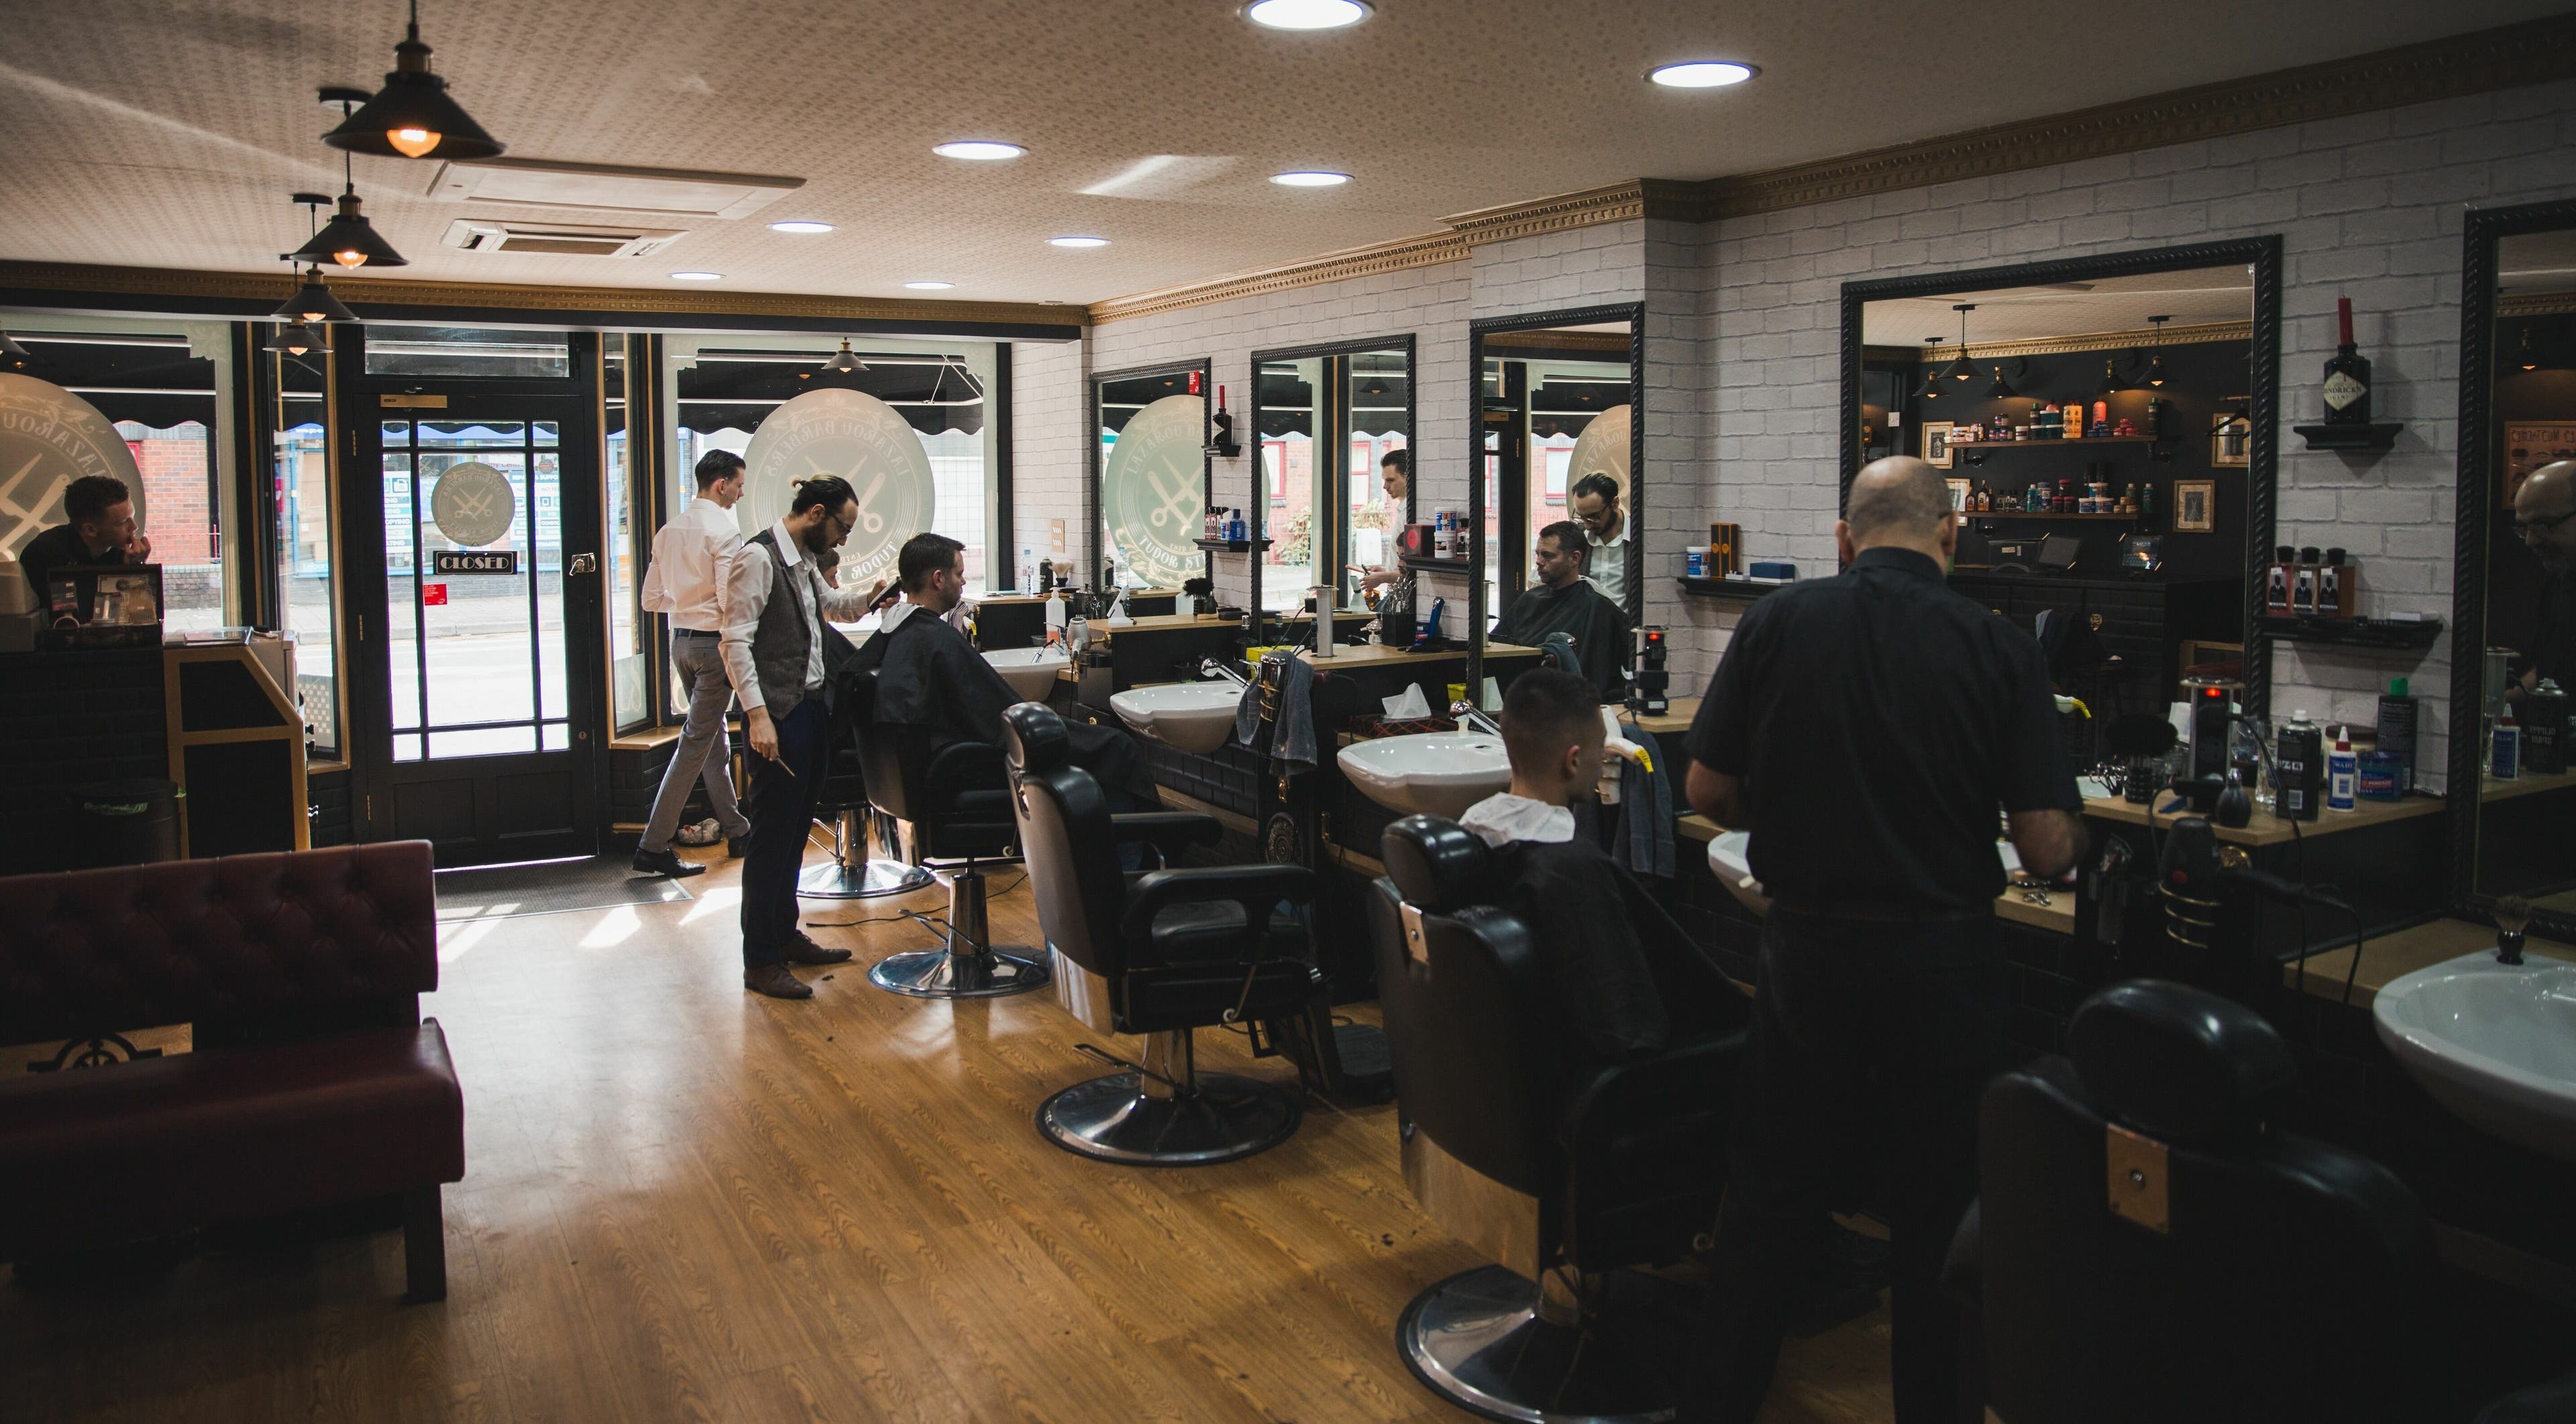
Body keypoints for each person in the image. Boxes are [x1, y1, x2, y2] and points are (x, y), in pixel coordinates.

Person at [1678, 456, 2086, 1424]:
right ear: (1951, 535)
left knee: (1770, 1191)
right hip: (1944, 964)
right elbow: (2044, 844)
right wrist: (2084, 829)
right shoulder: (1997, 647)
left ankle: (1717, 1402)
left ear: (1843, 537)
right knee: (1939, 1211)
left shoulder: (1777, 621)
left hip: (1809, 952)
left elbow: (1704, 790)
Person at [1458, 668, 1743, 1071]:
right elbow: (1629, 1026)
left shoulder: (1472, 835)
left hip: (1507, 1066)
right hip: (1584, 1081)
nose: (1604, 758)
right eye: (1599, 749)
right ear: (1573, 761)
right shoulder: (1572, 869)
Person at [717, 475, 892, 1000]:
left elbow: (833, 610)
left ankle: (784, 934)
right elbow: (735, 642)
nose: (843, 539)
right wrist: (758, 716)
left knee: (795, 833)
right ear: (816, 513)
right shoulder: (759, 559)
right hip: (780, 714)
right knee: (771, 838)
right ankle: (760, 960)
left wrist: (872, 598)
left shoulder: (802, 561)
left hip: (811, 708)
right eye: (842, 526)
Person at [854, 532, 1158, 807]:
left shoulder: (898, 630)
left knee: (1101, 744)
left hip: (936, 766)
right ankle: (1140, 854)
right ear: (938, 579)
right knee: (1118, 747)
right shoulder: (934, 638)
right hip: (966, 765)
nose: (963, 581)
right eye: (959, 574)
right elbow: (994, 713)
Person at [632, 449, 755, 879]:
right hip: (712, 648)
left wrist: (685, 604)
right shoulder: (724, 532)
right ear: (721, 484)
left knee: (710, 740)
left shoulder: (668, 531)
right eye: (739, 485)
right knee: (695, 743)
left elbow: (651, 600)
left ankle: (739, 830)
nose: (741, 493)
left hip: (679, 642)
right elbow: (730, 601)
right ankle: (652, 845)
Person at [1489, 521, 1631, 702]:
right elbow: (1496, 646)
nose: (1539, 562)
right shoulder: (1530, 599)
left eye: (1548, 556)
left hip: (1567, 707)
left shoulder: (1596, 607)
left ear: (1575, 558)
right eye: (1538, 554)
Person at [17, 474, 151, 597]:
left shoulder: (121, 553)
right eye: (123, 522)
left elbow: (137, 613)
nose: (134, 527)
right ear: (90, 530)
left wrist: (134, 569)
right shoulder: (44, 554)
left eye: (132, 517)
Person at [2510, 459, 2576, 695]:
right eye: (2525, 528)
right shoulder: (2560, 580)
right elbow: (2551, 672)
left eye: (2543, 525)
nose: (2530, 541)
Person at [1356, 449, 1412, 596]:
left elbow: (1415, 572)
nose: (1385, 486)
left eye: (1391, 480)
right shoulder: (1404, 512)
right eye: (1385, 480)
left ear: (1407, 478)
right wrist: (1386, 572)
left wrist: (1383, 577)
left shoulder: (1411, 515)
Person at [1568, 471, 1628, 610]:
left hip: (1627, 628)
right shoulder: (1577, 537)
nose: (1587, 525)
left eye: (1594, 516)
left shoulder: (1640, 539)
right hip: (1584, 627)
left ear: (1615, 503)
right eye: (1582, 517)